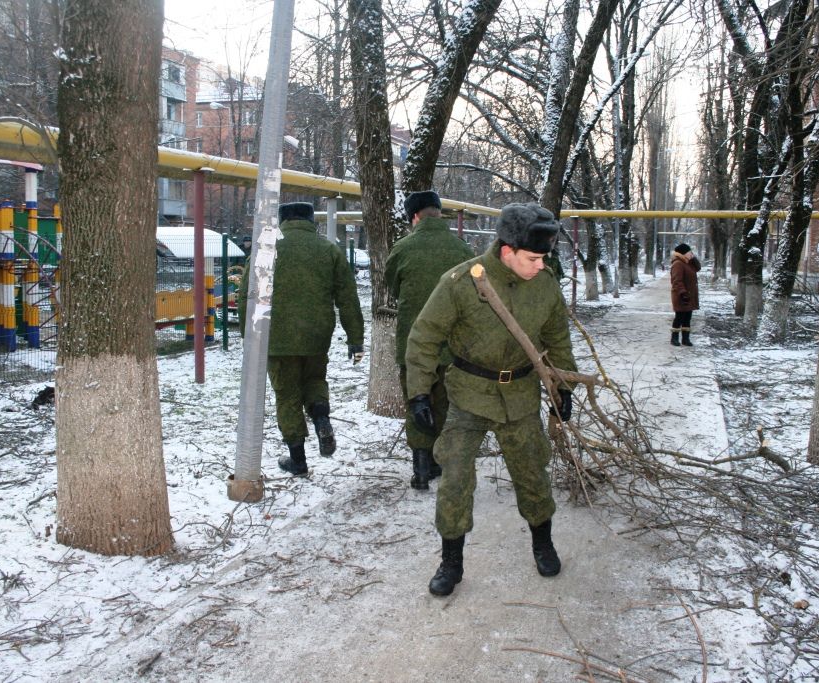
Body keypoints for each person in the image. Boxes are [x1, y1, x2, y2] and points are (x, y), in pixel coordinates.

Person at [405, 202, 579, 597]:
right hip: (469, 394)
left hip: (519, 395)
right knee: (455, 478)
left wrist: (562, 386)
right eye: (532, 258)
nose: (540, 265)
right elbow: (424, 337)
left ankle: (543, 543)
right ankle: (451, 561)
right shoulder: (462, 282)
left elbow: (557, 339)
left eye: (543, 258)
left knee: (533, 472)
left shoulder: (545, 284)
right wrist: (418, 393)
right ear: (507, 250)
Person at [237, 202, 365, 475]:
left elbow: (246, 295)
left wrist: (248, 338)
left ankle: (298, 459)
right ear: (311, 221)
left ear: (282, 221)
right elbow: (348, 298)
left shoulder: (267, 250)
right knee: (315, 380)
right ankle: (321, 419)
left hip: (277, 338)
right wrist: (355, 339)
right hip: (317, 336)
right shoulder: (329, 250)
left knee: (287, 395)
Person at [384, 190, 474, 490]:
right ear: (438, 212)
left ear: (414, 217)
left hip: (414, 343)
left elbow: (393, 287)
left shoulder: (402, 248)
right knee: (445, 403)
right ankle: (440, 462)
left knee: (417, 400)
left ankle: (421, 469)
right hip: (452, 344)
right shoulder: (462, 249)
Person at [669, 243, 701, 347]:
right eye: (689, 252)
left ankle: (685, 339)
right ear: (683, 253)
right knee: (679, 317)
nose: (691, 253)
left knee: (687, 317)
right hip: (681, 295)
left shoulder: (687, 263)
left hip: (689, 295)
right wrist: (683, 293)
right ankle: (674, 338)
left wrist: (693, 258)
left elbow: (698, 268)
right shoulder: (678, 264)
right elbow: (676, 281)